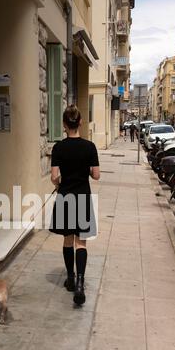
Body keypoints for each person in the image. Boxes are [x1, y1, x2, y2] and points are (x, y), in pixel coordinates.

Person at [49, 105, 100, 307]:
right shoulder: (89, 147)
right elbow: (96, 175)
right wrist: (84, 171)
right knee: (82, 242)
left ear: (64, 124)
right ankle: (80, 283)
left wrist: (60, 183)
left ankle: (70, 278)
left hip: (65, 198)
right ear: (80, 122)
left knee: (68, 240)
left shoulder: (58, 148)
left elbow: (54, 177)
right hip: (83, 198)